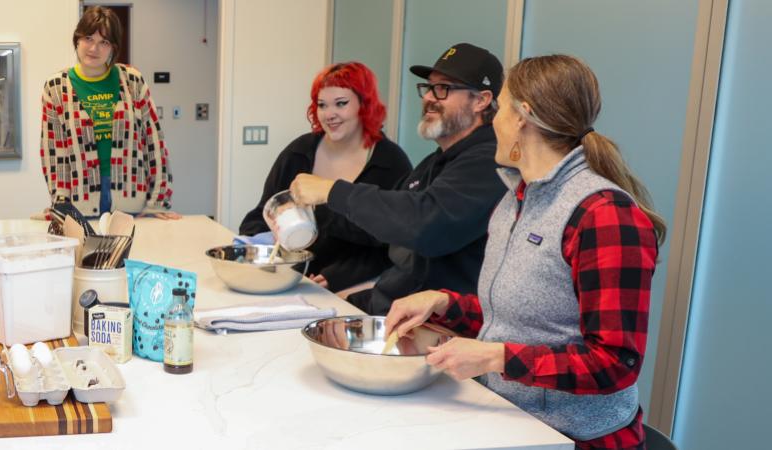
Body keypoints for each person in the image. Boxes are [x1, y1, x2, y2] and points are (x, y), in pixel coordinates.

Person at [385, 54, 665, 449]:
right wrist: (444, 303)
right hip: (510, 420)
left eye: (499, 107)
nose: (493, 120)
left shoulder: (604, 216)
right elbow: (525, 319)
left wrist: (494, 358)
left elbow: (615, 364)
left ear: (522, 117)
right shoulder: (516, 197)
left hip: (573, 438)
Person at [288, 43, 508, 315]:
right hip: (390, 304)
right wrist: (306, 214)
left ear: (481, 100)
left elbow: (425, 223)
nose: (429, 97)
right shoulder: (434, 163)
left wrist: (333, 191)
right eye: (428, 88)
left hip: (437, 326)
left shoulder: (489, 162)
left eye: (443, 89)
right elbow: (382, 226)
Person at [238, 61, 412, 292]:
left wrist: (338, 276)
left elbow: (393, 245)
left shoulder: (390, 164)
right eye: (322, 105)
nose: (330, 114)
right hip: (287, 276)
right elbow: (262, 215)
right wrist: (257, 247)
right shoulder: (298, 153)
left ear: (364, 105)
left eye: (341, 104)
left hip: (353, 286)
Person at [40, 6, 180, 219]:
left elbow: (154, 141)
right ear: (77, 39)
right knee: (88, 253)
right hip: (80, 201)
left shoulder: (132, 80)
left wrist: (158, 201)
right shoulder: (56, 87)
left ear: (113, 47)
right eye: (88, 38)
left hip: (130, 196)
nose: (94, 48)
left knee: (134, 250)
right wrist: (61, 205)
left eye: (104, 42)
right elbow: (53, 152)